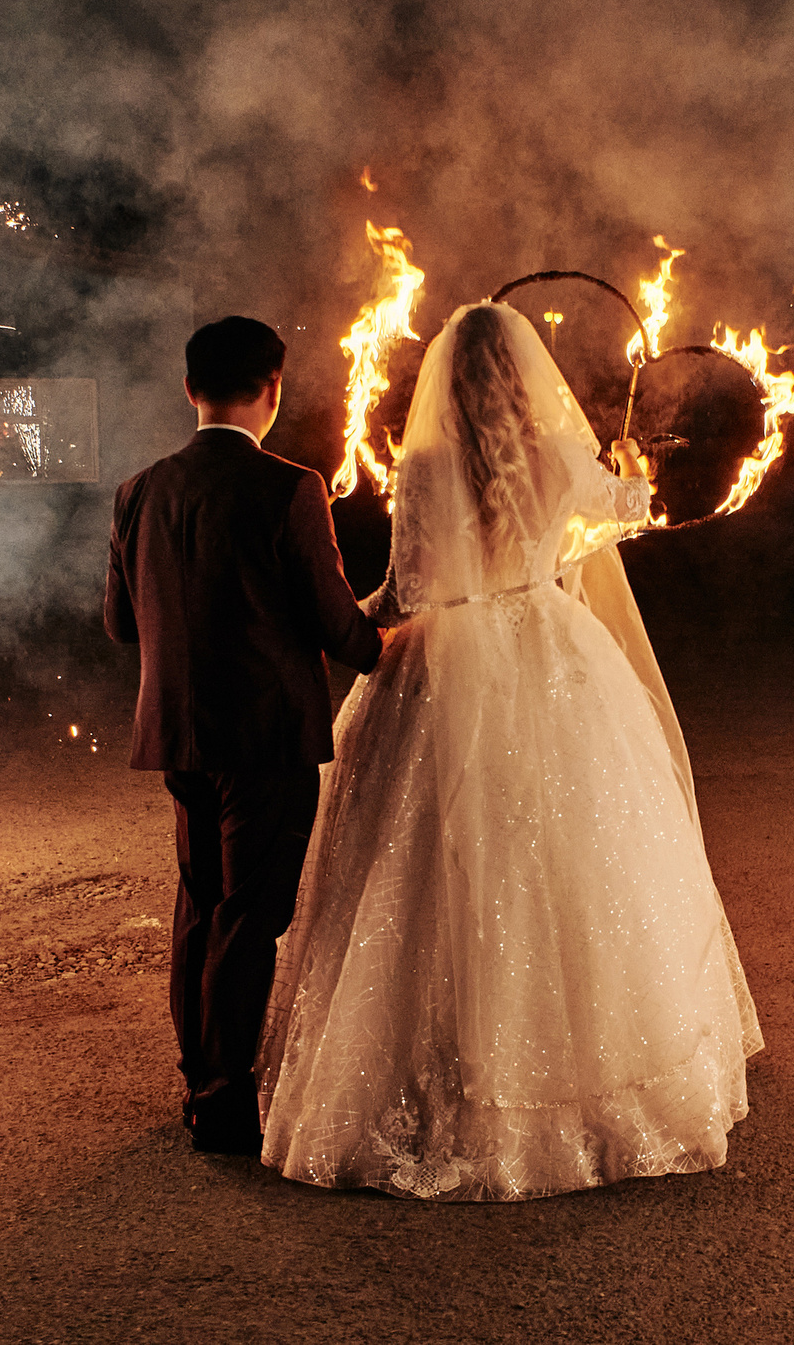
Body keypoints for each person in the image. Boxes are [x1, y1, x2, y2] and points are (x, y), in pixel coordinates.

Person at [258, 302, 761, 1200]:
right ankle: (571, 1074)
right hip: (548, 646)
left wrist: (361, 626)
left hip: (443, 659)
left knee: (428, 863)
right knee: (568, 853)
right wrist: (633, 464)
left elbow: (412, 580)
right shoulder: (561, 453)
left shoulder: (423, 461)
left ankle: (435, 1074)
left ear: (447, 379)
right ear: (528, 374)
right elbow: (628, 514)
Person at [104, 315, 384, 1156]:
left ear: (190, 389)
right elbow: (337, 624)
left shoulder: (139, 488)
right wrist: (388, 646)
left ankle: (200, 1072)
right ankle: (223, 1101)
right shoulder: (292, 486)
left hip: (180, 735)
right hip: (267, 735)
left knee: (201, 900)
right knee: (249, 913)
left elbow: (121, 624)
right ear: (274, 390)